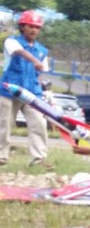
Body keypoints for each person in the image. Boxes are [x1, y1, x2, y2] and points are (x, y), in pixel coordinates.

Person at [0, 10, 52, 169]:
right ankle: (1, 157)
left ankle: (39, 158)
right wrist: (34, 60)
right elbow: (19, 52)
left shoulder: (42, 50)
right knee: (4, 124)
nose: (34, 30)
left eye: (37, 27)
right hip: (9, 90)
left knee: (39, 123)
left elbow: (40, 74)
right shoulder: (11, 42)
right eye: (31, 26)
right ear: (22, 27)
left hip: (32, 93)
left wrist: (46, 93)